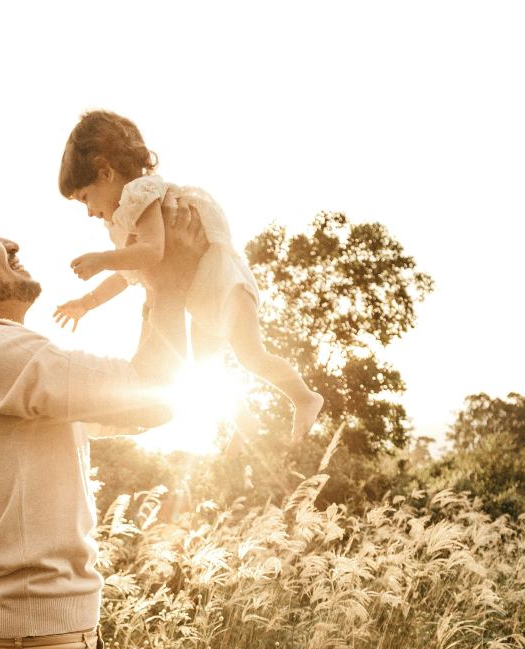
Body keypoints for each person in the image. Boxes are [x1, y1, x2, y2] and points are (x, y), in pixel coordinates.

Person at [0, 194, 205, 649]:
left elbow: (148, 407)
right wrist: (165, 277)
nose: (12, 244)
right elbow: (154, 390)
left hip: (44, 642)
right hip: (36, 647)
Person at [54, 110, 324, 442]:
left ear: (106, 172)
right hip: (200, 296)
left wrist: (102, 260)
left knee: (251, 355)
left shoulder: (140, 193)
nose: (90, 212)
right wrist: (87, 302)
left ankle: (304, 397)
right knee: (205, 372)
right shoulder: (127, 217)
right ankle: (247, 433)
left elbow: (151, 252)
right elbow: (130, 274)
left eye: (85, 198)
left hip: (224, 283)